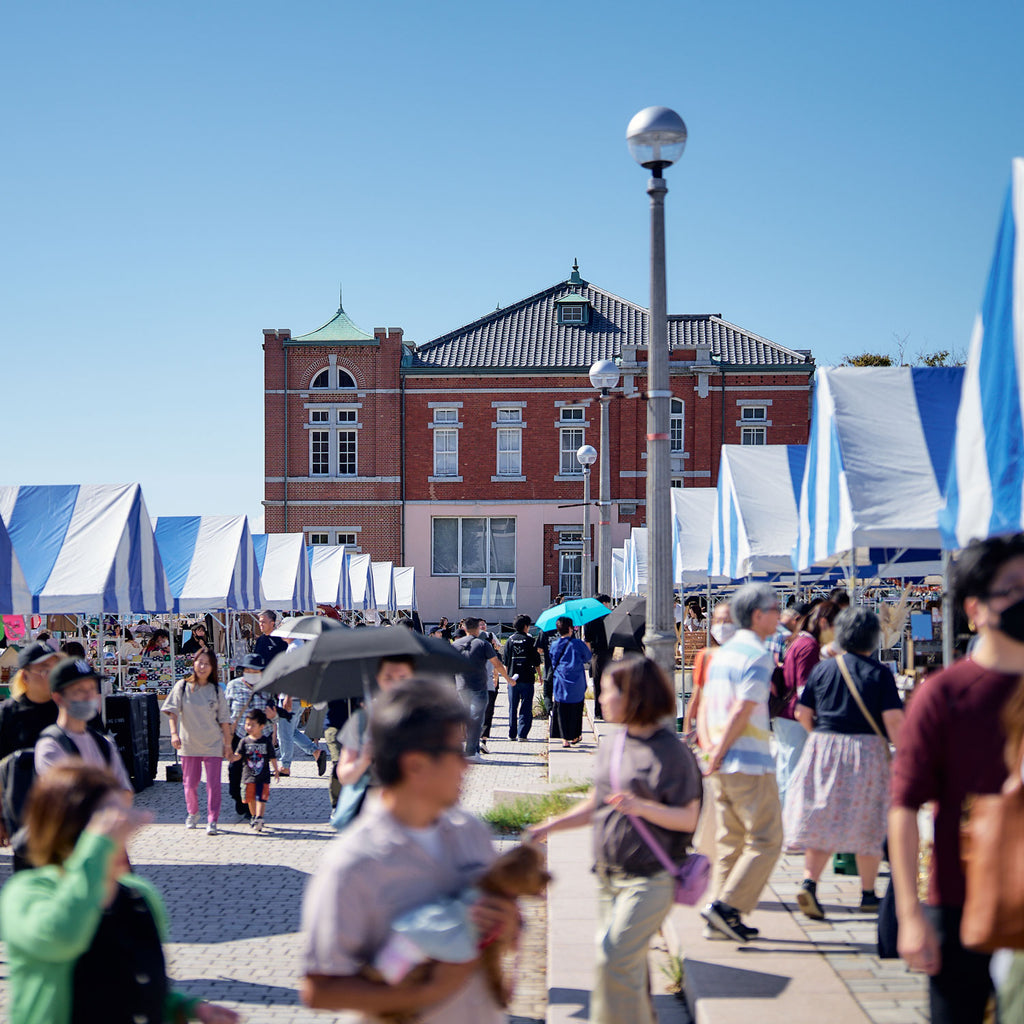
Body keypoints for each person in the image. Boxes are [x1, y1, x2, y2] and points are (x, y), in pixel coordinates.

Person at [300, 678, 520, 1023]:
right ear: (415, 764)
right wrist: (422, 995)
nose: (467, 765)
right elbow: (319, 988)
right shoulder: (352, 863)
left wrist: (507, 925)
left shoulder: (471, 833)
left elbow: (506, 934)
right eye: (455, 752)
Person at [889, 534, 1024, 1023]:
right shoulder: (944, 694)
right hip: (961, 901)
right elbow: (903, 806)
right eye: (1012, 588)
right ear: (976, 607)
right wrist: (909, 915)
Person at [527, 657, 703, 1024]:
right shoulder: (614, 744)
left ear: (634, 696)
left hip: (651, 878)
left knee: (613, 957)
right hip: (610, 877)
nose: (600, 697)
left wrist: (642, 807)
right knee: (628, 968)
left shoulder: (672, 753)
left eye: (608, 690)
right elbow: (598, 803)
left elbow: (688, 817)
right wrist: (549, 827)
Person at [0, 761, 239, 1024]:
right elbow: (62, 935)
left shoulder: (138, 896)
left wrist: (185, 1008)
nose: (123, 837)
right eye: (111, 823)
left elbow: (131, 984)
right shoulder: (26, 893)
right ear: (68, 829)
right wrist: (98, 847)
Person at [783, 607, 904, 918]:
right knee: (869, 820)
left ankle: (809, 883)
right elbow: (893, 722)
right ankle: (867, 893)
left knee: (823, 817)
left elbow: (802, 713)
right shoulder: (880, 673)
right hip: (867, 752)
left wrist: (820, 737)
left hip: (824, 747)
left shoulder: (823, 670)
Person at [698, 582, 783, 942]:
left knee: (731, 840)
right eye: (775, 609)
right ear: (758, 615)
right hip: (747, 761)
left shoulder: (725, 654)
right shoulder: (758, 655)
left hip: (720, 759)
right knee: (767, 840)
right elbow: (744, 707)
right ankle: (727, 907)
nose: (780, 615)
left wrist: (712, 752)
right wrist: (719, 752)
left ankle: (720, 914)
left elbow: (708, 705)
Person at [773, 600, 839, 809]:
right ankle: (787, 826)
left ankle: (784, 824)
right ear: (824, 623)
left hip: (786, 715)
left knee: (786, 773)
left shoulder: (800, 641)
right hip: (796, 717)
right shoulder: (808, 645)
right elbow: (804, 689)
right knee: (792, 775)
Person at [34, 658, 133, 795]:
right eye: (79, 690)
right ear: (58, 697)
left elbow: (125, 792)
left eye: (92, 688)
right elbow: (65, 799)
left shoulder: (104, 744)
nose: (88, 696)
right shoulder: (51, 745)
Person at [160, 651, 232, 835]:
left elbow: (224, 719)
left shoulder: (216, 690)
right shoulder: (182, 686)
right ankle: (193, 812)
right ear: (193, 664)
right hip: (189, 743)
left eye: (207, 664)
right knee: (190, 783)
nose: (202, 667)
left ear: (213, 667)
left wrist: (228, 744)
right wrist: (174, 734)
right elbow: (172, 711)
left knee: (213, 784)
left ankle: (212, 819)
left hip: (212, 744)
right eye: (199, 662)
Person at [335, 655, 417, 808]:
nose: (396, 684)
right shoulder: (361, 721)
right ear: (378, 679)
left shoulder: (427, 718)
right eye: (388, 678)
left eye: (402, 677)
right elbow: (344, 776)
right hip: (371, 810)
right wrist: (363, 760)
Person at [452, 618, 513, 762]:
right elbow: (496, 663)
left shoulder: (455, 644)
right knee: (476, 720)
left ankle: (464, 750)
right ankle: (471, 752)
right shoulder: (482, 644)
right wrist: (508, 679)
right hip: (479, 686)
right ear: (477, 629)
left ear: (465, 628)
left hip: (461, 686)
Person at [224, 653, 276, 820]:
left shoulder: (268, 687)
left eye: (256, 670)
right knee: (235, 771)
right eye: (249, 670)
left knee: (254, 774)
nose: (252, 673)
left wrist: (273, 718)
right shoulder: (233, 686)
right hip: (239, 736)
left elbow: (277, 714)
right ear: (243, 670)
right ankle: (237, 797)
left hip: (260, 738)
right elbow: (225, 713)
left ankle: (250, 807)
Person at [683, 601, 732, 738]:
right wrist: (688, 731)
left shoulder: (744, 656)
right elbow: (696, 695)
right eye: (717, 620)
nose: (721, 625)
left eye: (727, 620)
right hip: (710, 728)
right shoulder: (705, 657)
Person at [231, 709, 277, 832]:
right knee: (249, 799)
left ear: (262, 726)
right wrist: (232, 757)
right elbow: (239, 754)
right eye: (247, 724)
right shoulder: (244, 741)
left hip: (263, 776)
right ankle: (254, 816)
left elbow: (272, 757)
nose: (249, 727)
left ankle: (259, 817)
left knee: (261, 798)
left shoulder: (265, 741)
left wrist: (276, 770)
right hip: (248, 776)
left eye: (252, 725)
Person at [549, 617, 591, 748]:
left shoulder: (555, 645)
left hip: (561, 680)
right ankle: (575, 735)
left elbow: (552, 660)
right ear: (570, 628)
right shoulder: (577, 644)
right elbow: (588, 657)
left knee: (561, 709)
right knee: (576, 709)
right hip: (577, 680)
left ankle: (564, 739)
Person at [503, 615, 541, 741]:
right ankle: (522, 734)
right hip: (527, 677)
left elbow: (506, 662)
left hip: (513, 678)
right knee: (526, 705)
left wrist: (507, 678)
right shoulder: (530, 640)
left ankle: (512, 734)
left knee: (512, 707)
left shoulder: (510, 640)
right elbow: (536, 661)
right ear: (526, 626)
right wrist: (540, 675)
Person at [583, 595, 613, 720]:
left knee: (598, 683)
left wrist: (590, 656)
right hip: (609, 653)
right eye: (607, 603)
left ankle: (598, 712)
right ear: (604, 603)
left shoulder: (590, 618)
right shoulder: (610, 617)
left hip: (596, 654)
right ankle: (608, 711)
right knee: (609, 683)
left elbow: (587, 640)